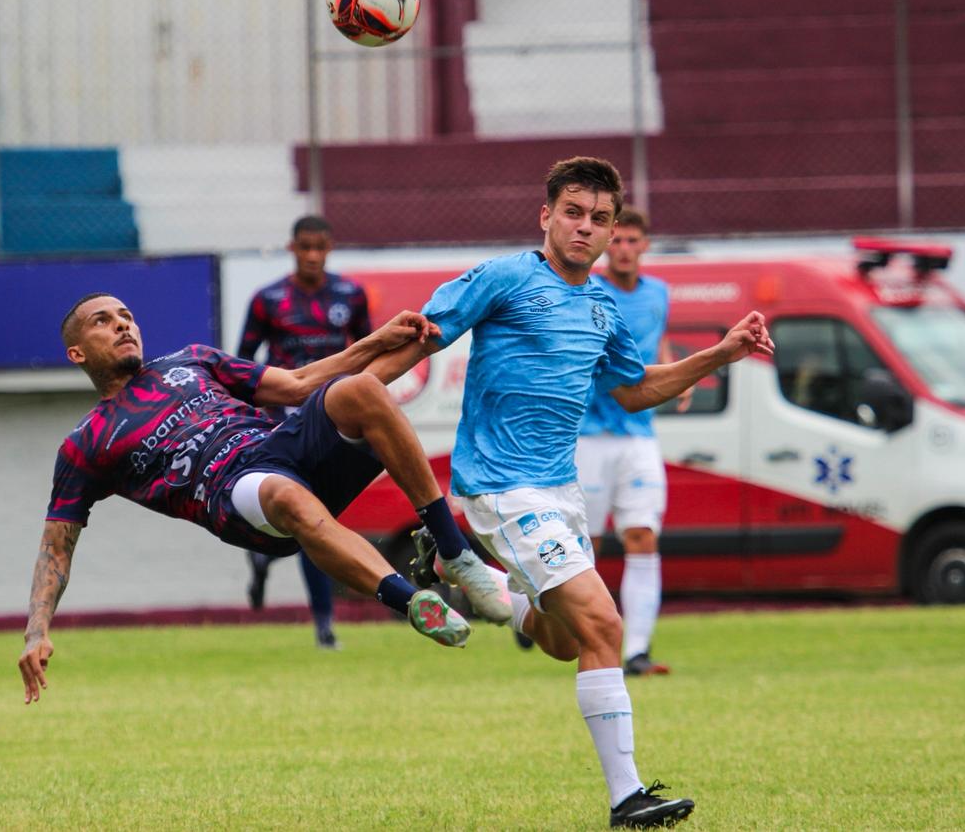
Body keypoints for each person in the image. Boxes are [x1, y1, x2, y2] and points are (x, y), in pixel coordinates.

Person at [374, 157, 773, 828]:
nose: (585, 228)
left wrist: (723, 352)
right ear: (546, 215)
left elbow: (637, 387)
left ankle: (469, 578)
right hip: (500, 488)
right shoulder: (503, 278)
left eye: (599, 218)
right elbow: (418, 337)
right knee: (605, 624)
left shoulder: (600, 307)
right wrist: (338, 394)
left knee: (564, 640)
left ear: (612, 226)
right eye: (573, 214)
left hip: (561, 492)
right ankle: (628, 798)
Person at [17, 293, 512, 704]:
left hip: (282, 446)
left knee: (361, 388)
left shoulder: (190, 360)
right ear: (77, 352)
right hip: (236, 496)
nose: (122, 325)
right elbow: (56, 546)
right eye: (102, 322)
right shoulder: (86, 443)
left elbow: (299, 384)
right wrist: (36, 631)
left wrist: (382, 338)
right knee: (284, 494)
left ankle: (453, 550)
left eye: (126, 316)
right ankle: (413, 604)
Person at [237, 215, 372, 649]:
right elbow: (243, 362)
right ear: (292, 248)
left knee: (313, 521)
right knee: (314, 518)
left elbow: (368, 353)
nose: (312, 255)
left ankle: (261, 558)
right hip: (282, 423)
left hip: (329, 418)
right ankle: (325, 624)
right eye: (305, 247)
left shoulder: (350, 295)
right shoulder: (267, 299)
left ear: (329, 247)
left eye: (320, 247)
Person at [575, 209, 691, 677]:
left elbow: (654, 344)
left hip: (639, 433)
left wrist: (673, 374)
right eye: (616, 239)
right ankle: (550, 620)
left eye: (631, 240)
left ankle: (637, 651)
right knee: (584, 543)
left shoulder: (659, 294)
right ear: (605, 243)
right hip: (587, 434)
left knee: (642, 535)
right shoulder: (585, 290)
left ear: (645, 244)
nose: (622, 248)